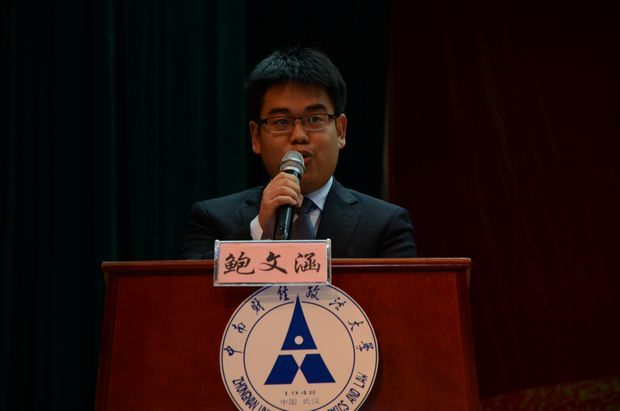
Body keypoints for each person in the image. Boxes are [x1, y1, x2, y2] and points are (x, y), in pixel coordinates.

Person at [182, 47, 416, 259]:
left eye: (314, 119)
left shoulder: (385, 226)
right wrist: (259, 230)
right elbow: (192, 289)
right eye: (281, 121)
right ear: (256, 137)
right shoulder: (212, 219)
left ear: (340, 131)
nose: (298, 135)